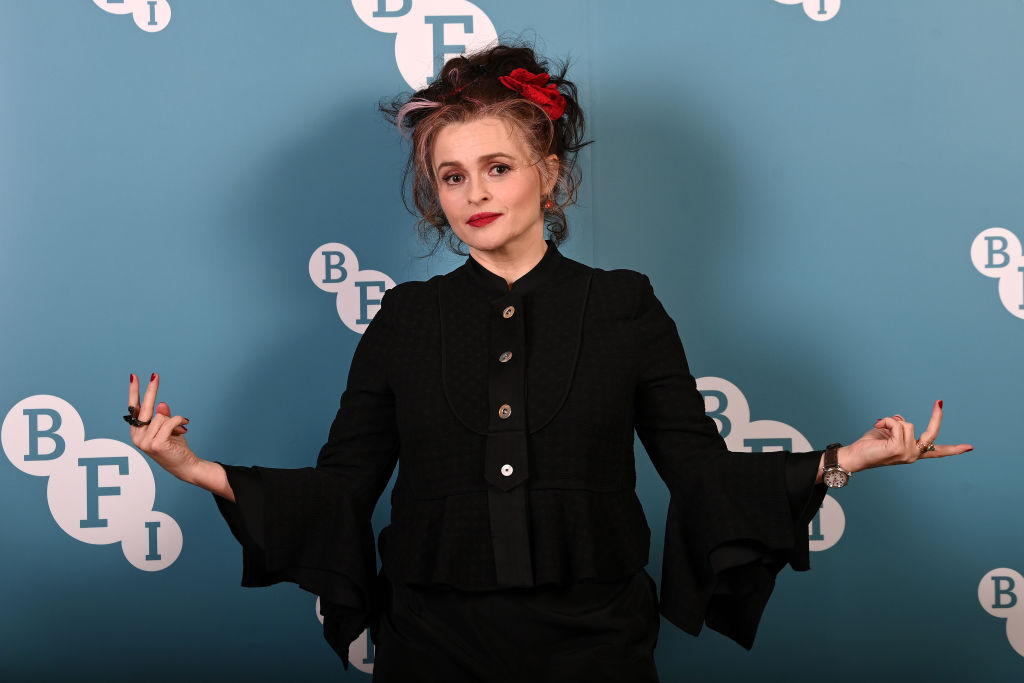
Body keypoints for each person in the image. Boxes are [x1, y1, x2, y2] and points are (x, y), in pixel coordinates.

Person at [125, 44, 972, 682]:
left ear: (549, 174)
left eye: (497, 168)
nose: (475, 193)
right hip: (431, 641)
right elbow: (344, 485)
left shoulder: (625, 304)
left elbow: (701, 473)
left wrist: (845, 458)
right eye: (452, 176)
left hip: (597, 641)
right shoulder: (405, 317)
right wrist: (195, 469)